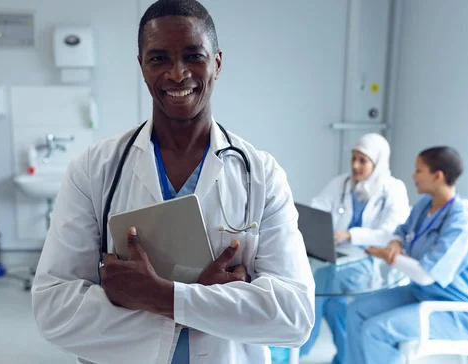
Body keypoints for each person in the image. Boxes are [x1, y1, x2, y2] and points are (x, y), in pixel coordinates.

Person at [31, 1, 315, 363]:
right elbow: (53, 309)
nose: (178, 74)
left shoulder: (260, 175)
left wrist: (160, 296)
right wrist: (206, 304)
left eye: (193, 56)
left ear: (217, 63)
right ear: (142, 67)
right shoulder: (94, 169)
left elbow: (295, 318)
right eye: (159, 58)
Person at [345, 146, 468, 364]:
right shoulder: (425, 204)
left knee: (376, 331)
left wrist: (388, 255)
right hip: (423, 294)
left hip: (457, 312)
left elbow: (425, 275)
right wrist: (394, 243)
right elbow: (402, 233)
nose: (413, 176)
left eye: (418, 170)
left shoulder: (461, 220)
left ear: (438, 176)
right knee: (355, 310)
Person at [299, 134, 409, 364]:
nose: (355, 165)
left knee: (322, 293)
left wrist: (350, 235)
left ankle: (297, 350)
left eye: (363, 160)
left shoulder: (393, 189)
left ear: (377, 162)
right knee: (331, 301)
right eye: (353, 158)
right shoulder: (342, 183)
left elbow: (392, 232)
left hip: (372, 260)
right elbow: (317, 210)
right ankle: (344, 358)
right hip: (338, 256)